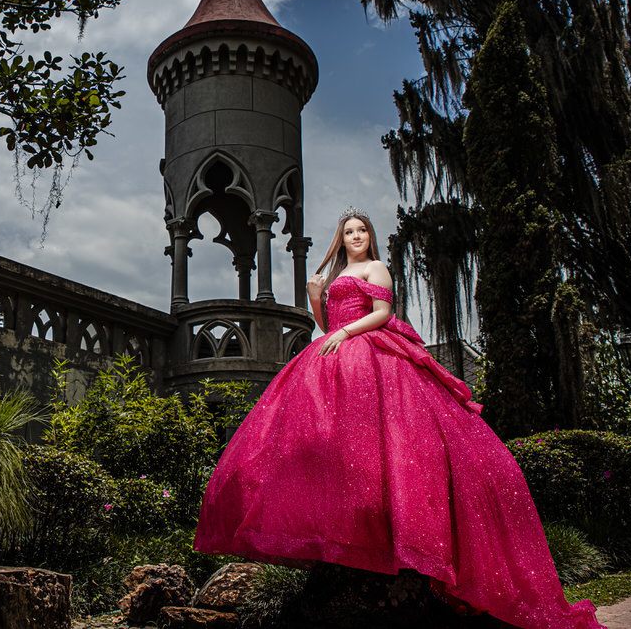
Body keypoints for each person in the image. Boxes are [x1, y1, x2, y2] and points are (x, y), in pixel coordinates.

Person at [194, 209, 603, 629]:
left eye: (362, 230)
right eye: (348, 231)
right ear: (340, 238)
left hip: (369, 350)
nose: (355, 236)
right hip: (334, 351)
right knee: (325, 443)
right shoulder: (333, 275)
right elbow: (325, 323)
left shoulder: (376, 267)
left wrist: (346, 333)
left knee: (388, 439)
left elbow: (382, 314)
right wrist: (315, 296)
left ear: (370, 236)